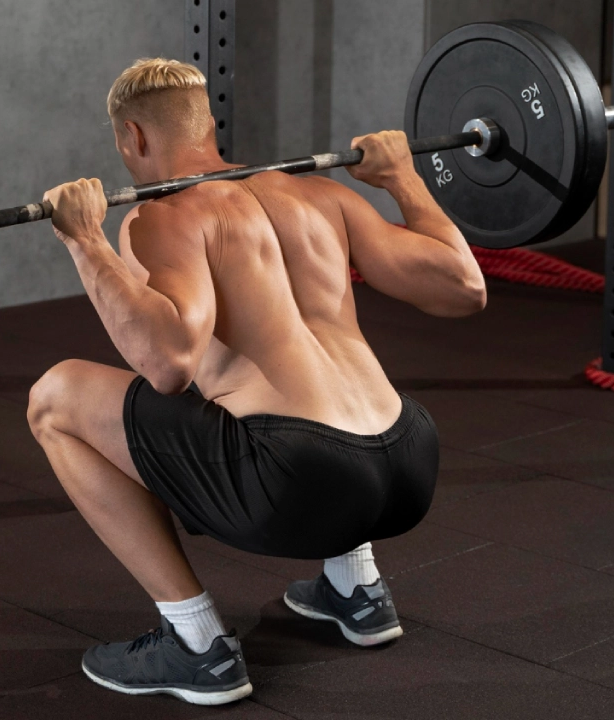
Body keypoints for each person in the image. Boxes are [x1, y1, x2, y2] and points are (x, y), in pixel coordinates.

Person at [27, 58, 486, 705]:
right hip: (410, 459)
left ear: (133, 136)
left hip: (299, 482)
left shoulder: (165, 217)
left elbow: (168, 364)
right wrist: (402, 178)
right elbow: (465, 286)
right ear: (207, 125)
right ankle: (357, 588)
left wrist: (85, 241)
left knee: (55, 398)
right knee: (297, 383)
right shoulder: (321, 195)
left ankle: (196, 645)